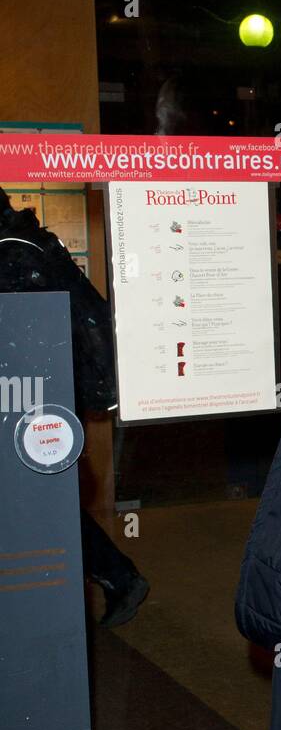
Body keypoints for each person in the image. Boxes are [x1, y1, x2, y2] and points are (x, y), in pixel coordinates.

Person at [0, 186, 149, 626]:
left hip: (34, 401)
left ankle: (115, 576)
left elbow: (24, 344)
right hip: (48, 399)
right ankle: (116, 575)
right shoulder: (29, 243)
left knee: (37, 504)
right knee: (42, 503)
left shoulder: (13, 255)